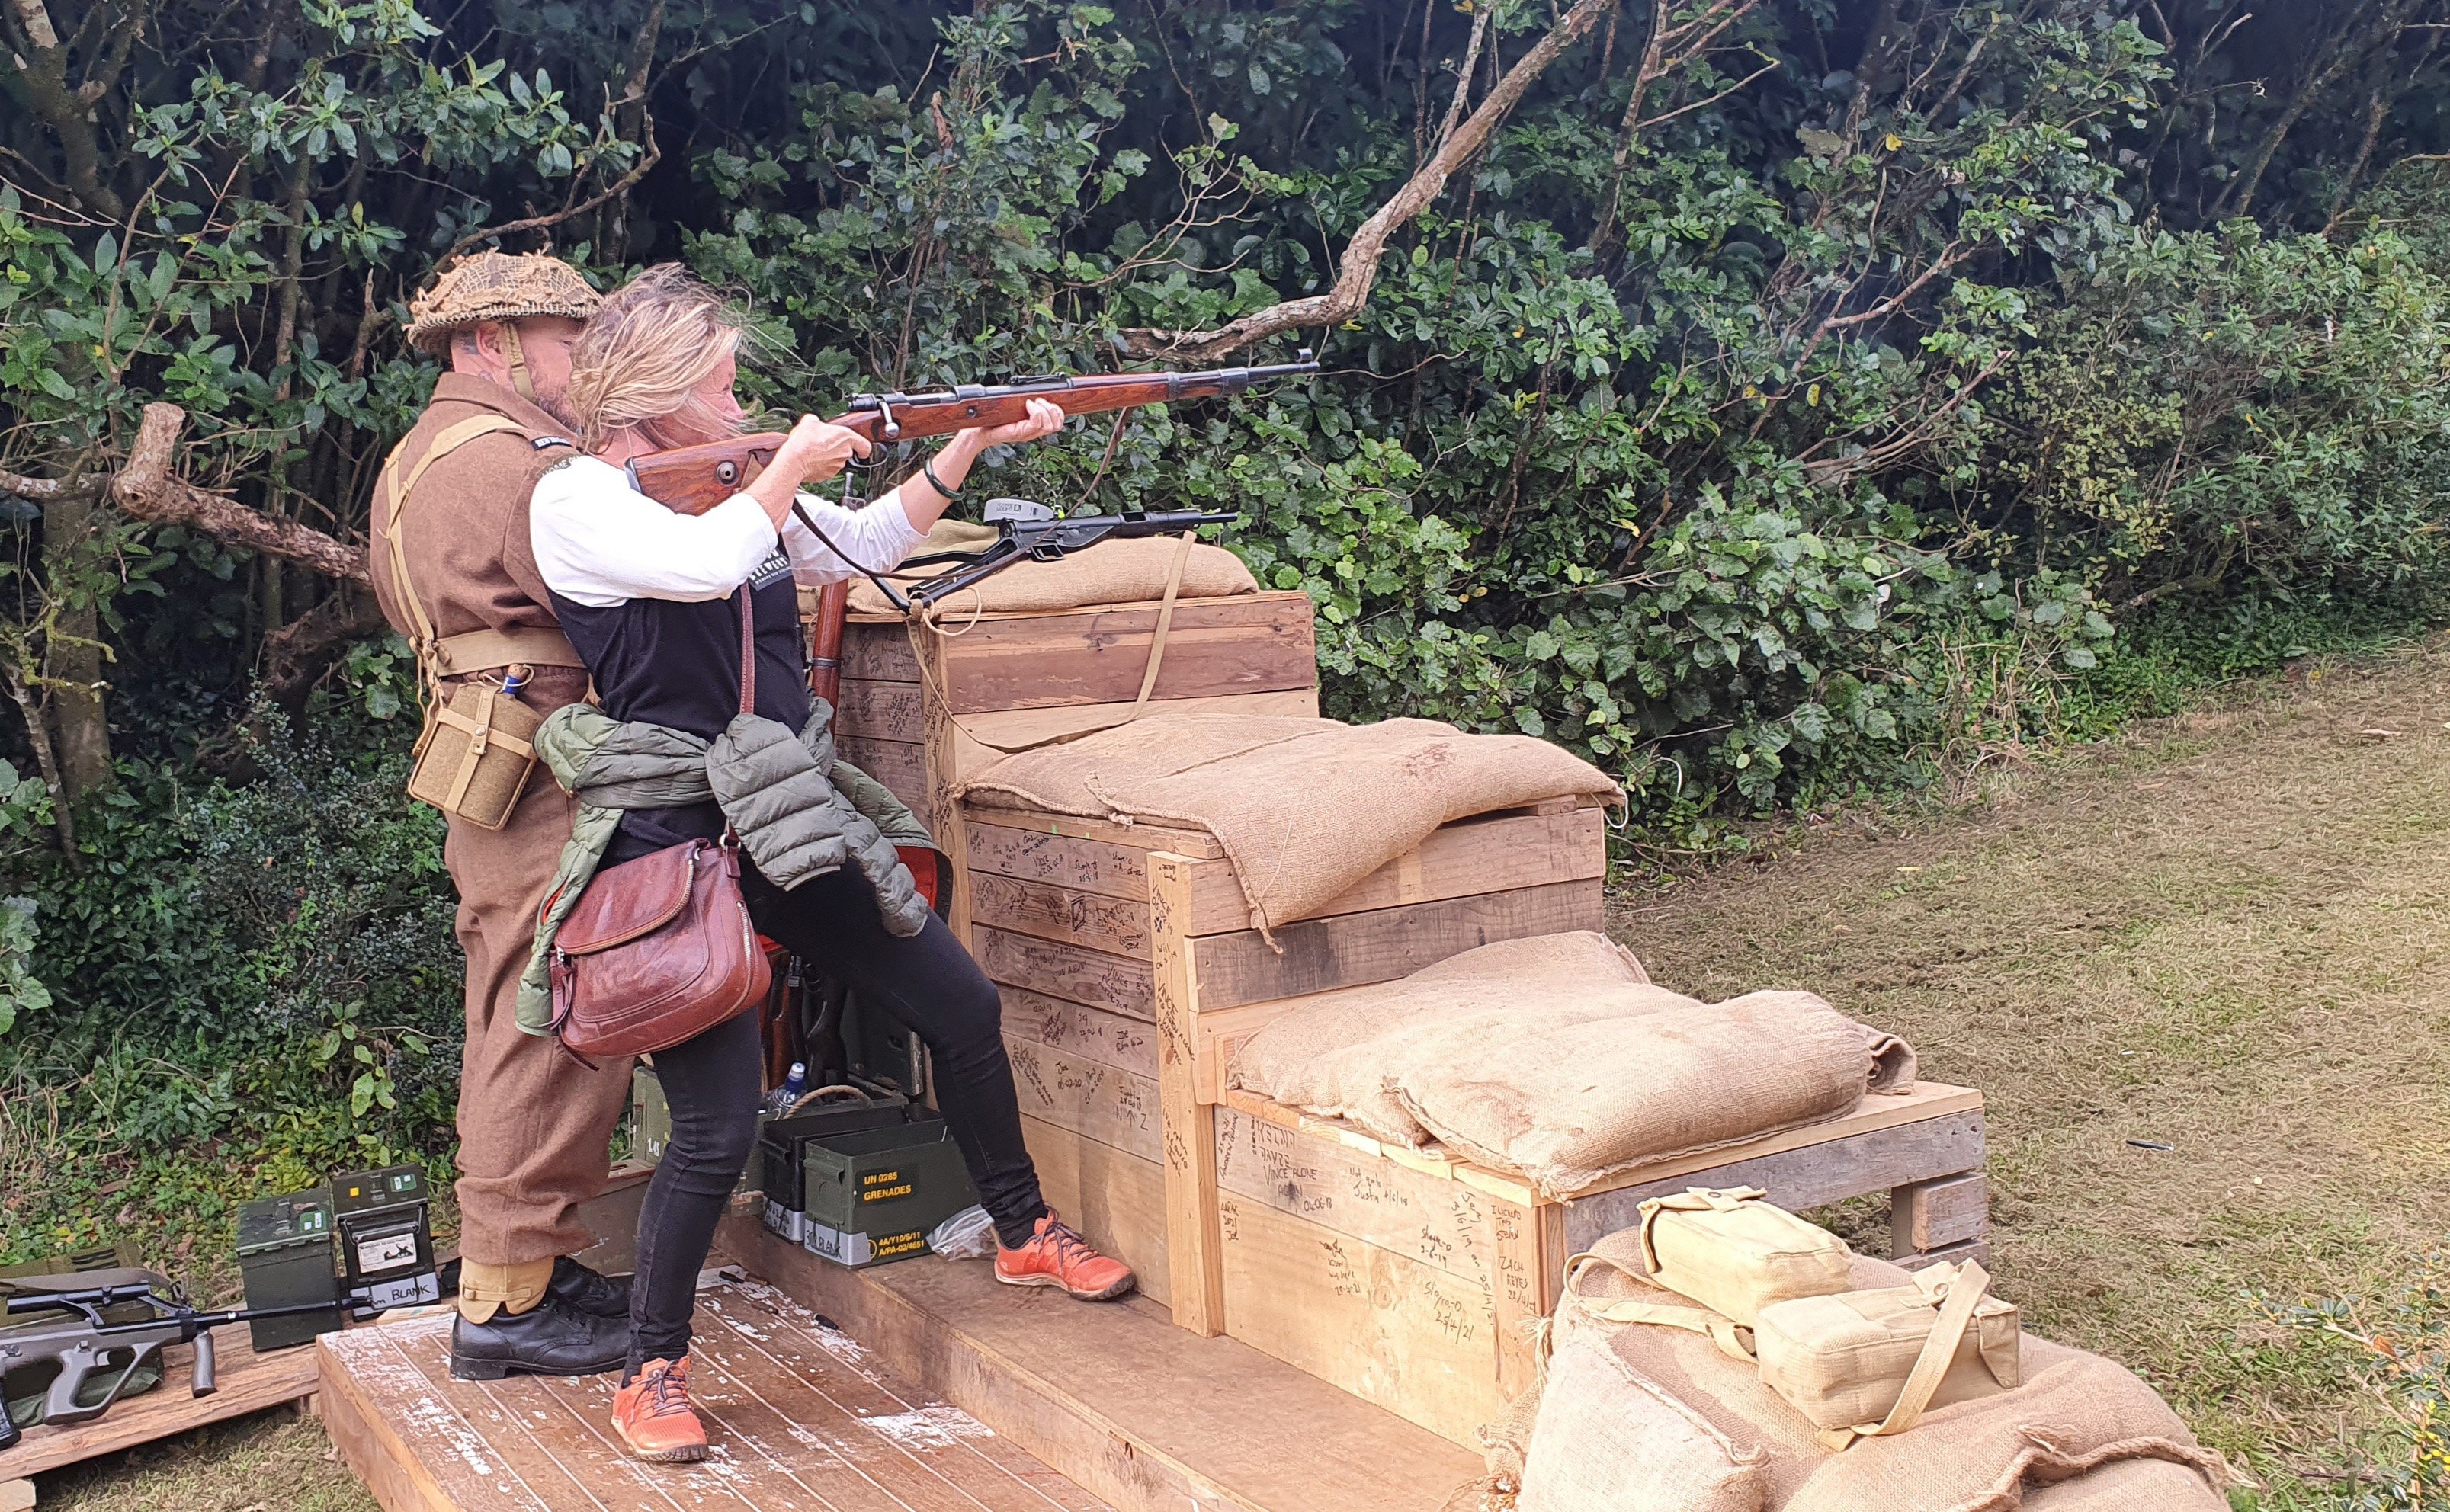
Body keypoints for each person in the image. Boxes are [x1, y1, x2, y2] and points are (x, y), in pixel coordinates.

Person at [528, 266, 1137, 1466]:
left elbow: (852, 546)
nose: (739, 392)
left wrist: (965, 445)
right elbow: (705, 566)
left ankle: (1020, 1230)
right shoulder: (578, 501)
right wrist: (783, 468)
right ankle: (652, 1366)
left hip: (785, 811)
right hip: (678, 836)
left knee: (960, 1006)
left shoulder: (726, 490)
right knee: (712, 1126)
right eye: (719, 379)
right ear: (652, 393)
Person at [374, 252, 635, 1382]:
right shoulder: (513, 463)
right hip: (544, 764)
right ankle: (511, 1301)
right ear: (494, 345)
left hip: (493, 751)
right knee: (553, 1007)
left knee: (515, 1001)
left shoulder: (424, 452)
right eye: (566, 341)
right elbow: (630, 590)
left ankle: (522, 1268)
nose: (582, 365)